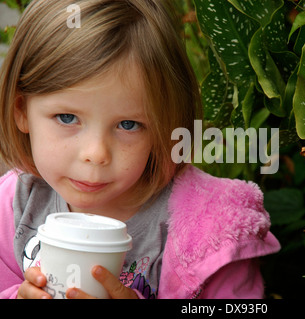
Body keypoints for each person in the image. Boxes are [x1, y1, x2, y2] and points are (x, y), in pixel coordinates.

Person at [0, 0, 280, 299]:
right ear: (21, 110)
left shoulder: (212, 231)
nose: (96, 153)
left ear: (165, 124)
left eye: (128, 125)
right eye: (67, 118)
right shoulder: (13, 209)